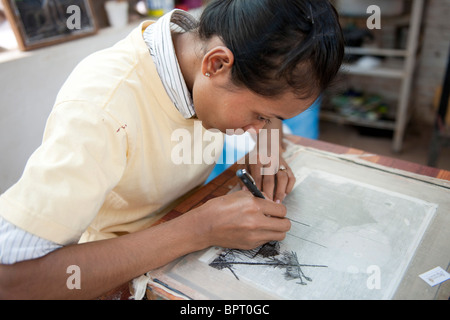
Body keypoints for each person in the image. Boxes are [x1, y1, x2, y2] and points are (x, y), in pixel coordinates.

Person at [0, 0, 344, 299]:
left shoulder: (201, 51)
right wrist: (198, 229)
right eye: (261, 116)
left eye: (272, 119)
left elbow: (268, 116)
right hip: (108, 269)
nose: (264, 127)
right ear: (216, 64)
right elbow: (13, 281)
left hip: (179, 232)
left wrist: (268, 149)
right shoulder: (102, 110)